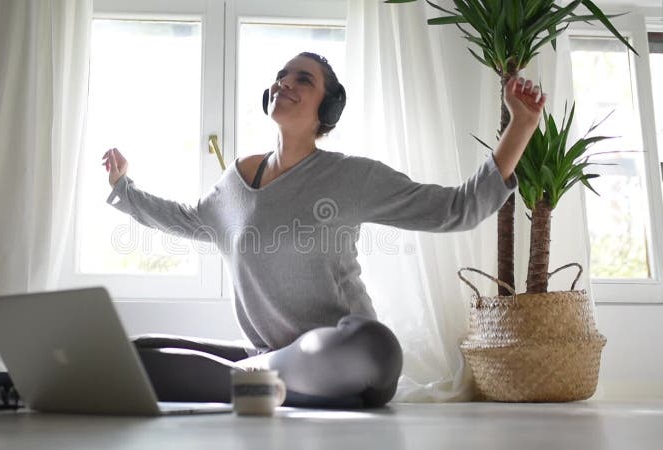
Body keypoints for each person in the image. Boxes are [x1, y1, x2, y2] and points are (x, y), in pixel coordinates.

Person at [101, 52, 546, 408]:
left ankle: (249, 381)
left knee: (377, 346)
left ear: (327, 108)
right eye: (281, 76)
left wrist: (520, 126)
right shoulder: (235, 182)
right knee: (131, 351)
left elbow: (458, 209)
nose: (285, 83)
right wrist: (125, 188)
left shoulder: (350, 177)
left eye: (303, 80)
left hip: (348, 356)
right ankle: (256, 380)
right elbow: (188, 219)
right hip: (272, 357)